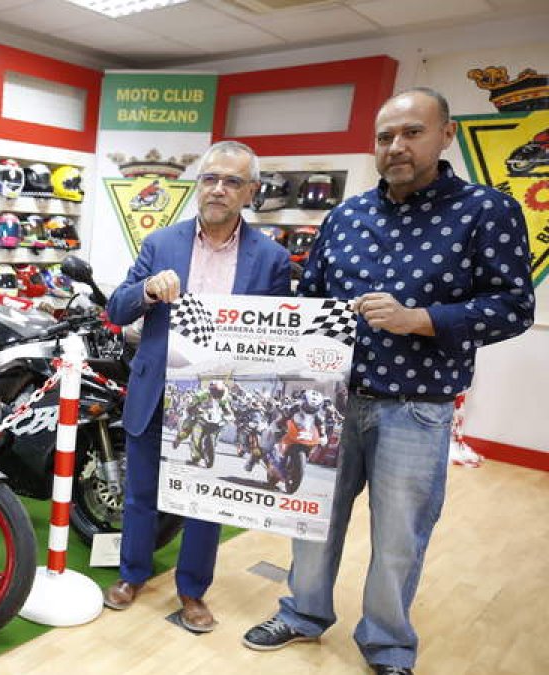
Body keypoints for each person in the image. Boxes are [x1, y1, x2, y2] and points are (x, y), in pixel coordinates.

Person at [242, 88, 535, 674]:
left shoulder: (486, 211)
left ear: (445, 135)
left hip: (415, 407)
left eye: (411, 133)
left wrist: (421, 320)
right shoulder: (347, 215)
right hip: (329, 402)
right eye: (384, 137)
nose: (396, 147)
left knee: (400, 538)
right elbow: (312, 301)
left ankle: (387, 643)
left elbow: (514, 306)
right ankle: (303, 613)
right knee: (312, 517)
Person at [105, 141, 291, 631]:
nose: (218, 189)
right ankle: (132, 575)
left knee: (208, 499)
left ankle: (192, 591)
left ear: (250, 192)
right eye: (210, 179)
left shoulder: (271, 258)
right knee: (141, 491)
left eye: (232, 181)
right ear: (198, 186)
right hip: (157, 389)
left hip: (221, 397)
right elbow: (116, 309)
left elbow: (276, 336)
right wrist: (146, 291)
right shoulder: (161, 243)